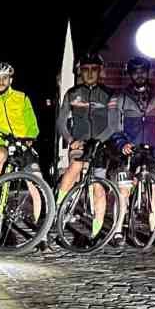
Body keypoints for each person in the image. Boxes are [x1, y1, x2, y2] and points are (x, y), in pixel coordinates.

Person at [110, 55, 155, 240]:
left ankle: (154, 231)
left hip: (151, 149)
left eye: (143, 71)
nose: (139, 75)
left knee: (153, 190)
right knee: (124, 191)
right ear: (130, 74)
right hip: (129, 148)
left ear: (148, 72)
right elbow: (113, 125)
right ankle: (118, 230)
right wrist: (121, 144)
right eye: (135, 72)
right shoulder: (120, 96)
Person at [55, 53, 113, 234]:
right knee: (74, 168)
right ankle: (58, 211)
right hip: (79, 143)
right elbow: (61, 121)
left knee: (98, 187)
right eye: (85, 70)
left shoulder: (108, 94)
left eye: (94, 69)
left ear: (100, 71)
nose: (89, 73)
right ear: (80, 72)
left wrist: (99, 142)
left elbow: (113, 125)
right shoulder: (73, 93)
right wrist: (71, 141)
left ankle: (96, 230)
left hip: (101, 145)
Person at [0, 62, 40, 183]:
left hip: (22, 143)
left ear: (10, 80)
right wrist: (5, 142)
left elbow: (32, 125)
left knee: (37, 179)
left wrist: (28, 139)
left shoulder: (22, 98)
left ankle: (41, 199)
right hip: (1, 143)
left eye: (5, 78)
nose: (1, 81)